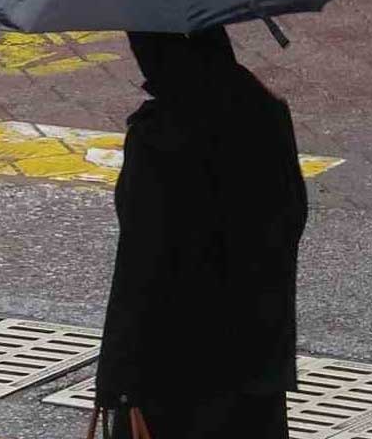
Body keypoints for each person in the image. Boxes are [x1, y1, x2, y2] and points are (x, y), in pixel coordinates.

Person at [94, 28, 308, 438]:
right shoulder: (265, 112)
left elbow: (140, 267)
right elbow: (291, 218)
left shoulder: (159, 136)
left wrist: (116, 378)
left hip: (172, 366)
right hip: (255, 353)